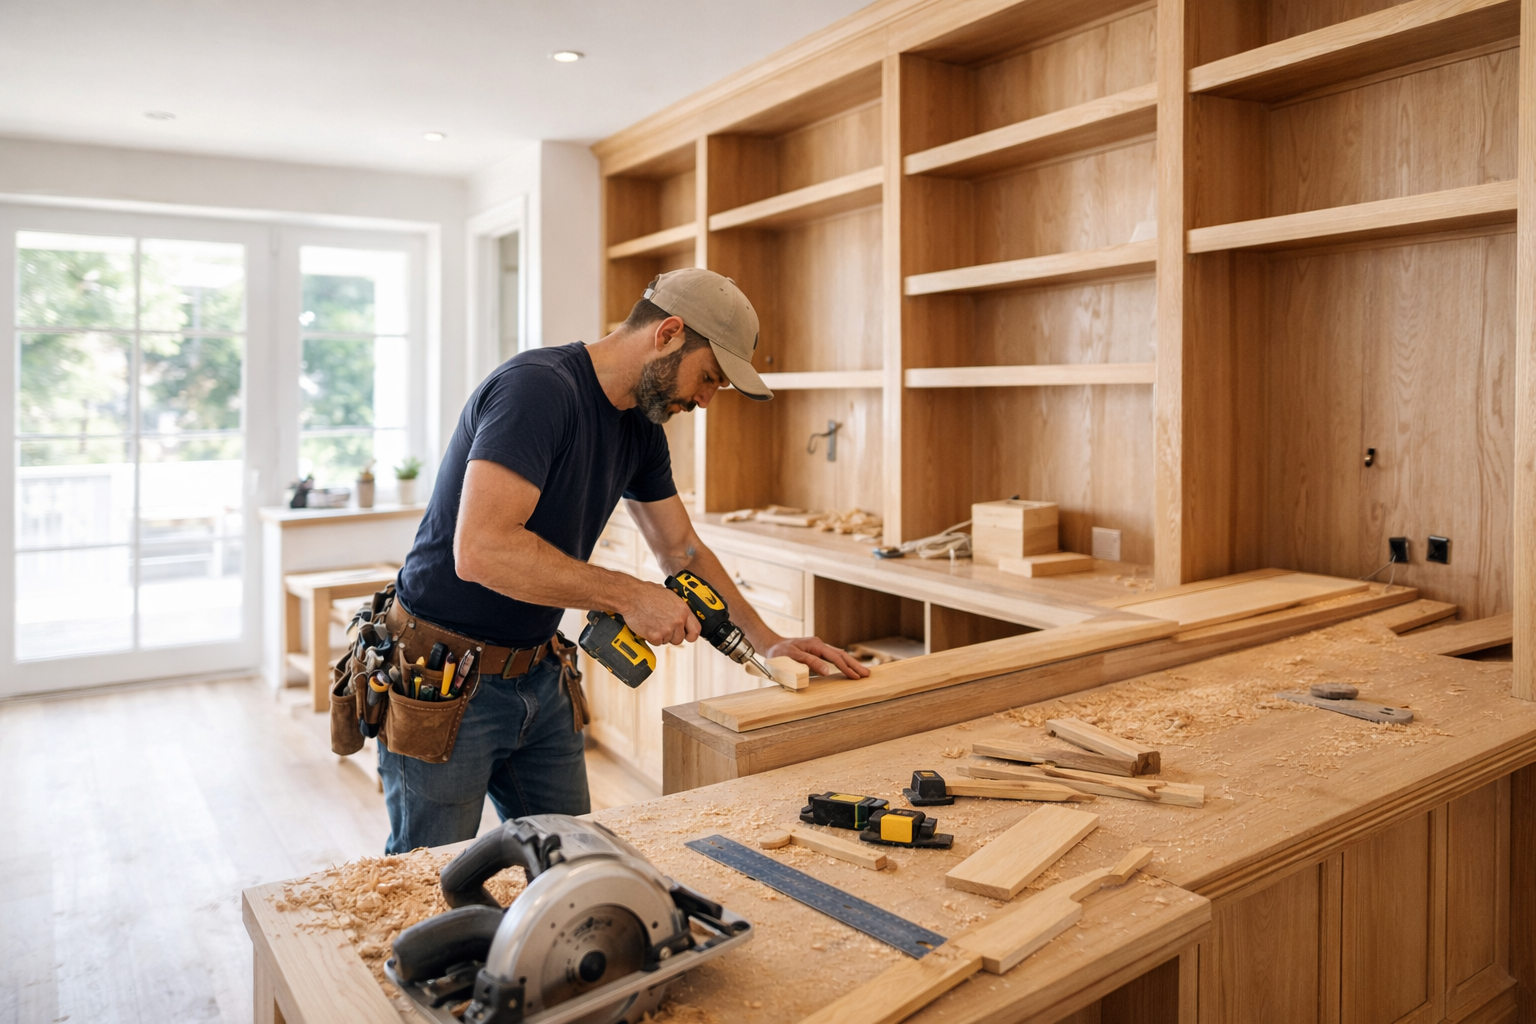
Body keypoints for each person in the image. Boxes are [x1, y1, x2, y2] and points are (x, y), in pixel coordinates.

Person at [380, 268, 869, 853]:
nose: (706, 400)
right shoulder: (537, 391)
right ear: (668, 334)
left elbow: (682, 550)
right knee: (426, 878)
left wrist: (768, 642)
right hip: (444, 675)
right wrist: (629, 594)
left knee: (577, 867)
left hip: (538, 672)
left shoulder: (641, 429)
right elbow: (481, 550)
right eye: (708, 377)